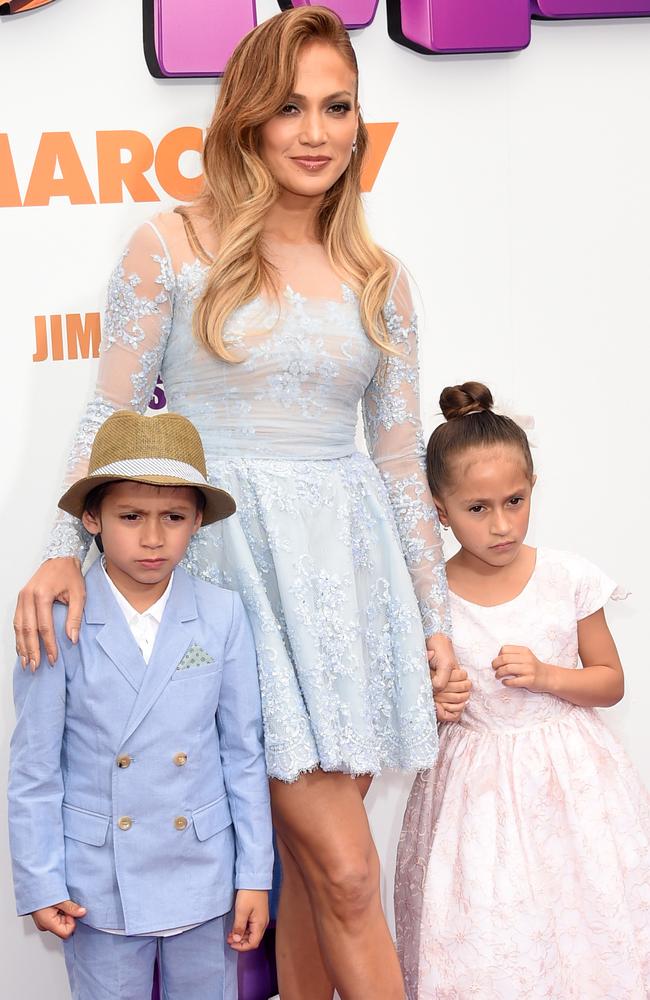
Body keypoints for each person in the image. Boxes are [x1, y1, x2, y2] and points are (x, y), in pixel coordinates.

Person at [13, 8, 457, 997]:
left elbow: (394, 461)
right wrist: (58, 550)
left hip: (348, 586)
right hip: (227, 575)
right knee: (346, 869)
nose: (314, 131)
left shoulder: (378, 278)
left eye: (336, 106)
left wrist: (430, 619)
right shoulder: (169, 244)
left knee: (311, 877)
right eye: (288, 106)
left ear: (357, 123)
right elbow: (109, 416)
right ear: (246, 118)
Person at [394, 381, 650, 1000]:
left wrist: (548, 676)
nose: (501, 524)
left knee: (583, 917)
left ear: (533, 487)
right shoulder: (425, 598)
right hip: (472, 796)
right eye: (477, 508)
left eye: (514, 500)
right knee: (488, 925)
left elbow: (610, 682)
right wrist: (433, 706)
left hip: (573, 785)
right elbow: (405, 708)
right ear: (439, 507)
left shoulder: (567, 577)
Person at [8, 410, 273, 1000]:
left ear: (197, 520)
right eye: (131, 517)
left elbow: (243, 753)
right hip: (98, 881)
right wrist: (40, 880)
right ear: (92, 517)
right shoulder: (58, 622)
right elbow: (34, 766)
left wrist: (254, 877)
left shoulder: (223, 613)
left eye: (173, 518)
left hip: (203, 871)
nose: (153, 538)